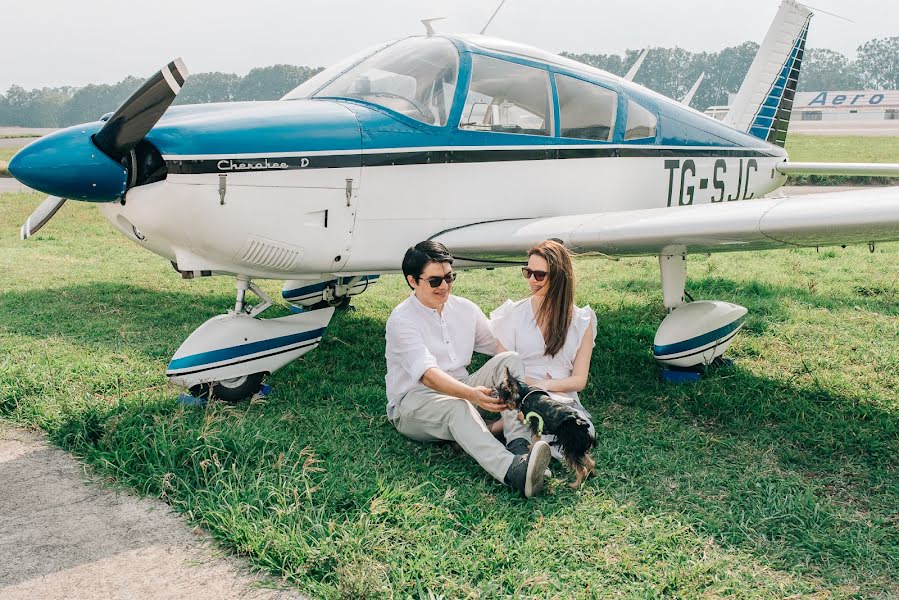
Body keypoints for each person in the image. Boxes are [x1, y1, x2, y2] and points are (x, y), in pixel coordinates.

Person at [385, 241, 552, 498]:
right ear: (412, 281)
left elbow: (498, 348)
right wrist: (472, 394)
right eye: (435, 281)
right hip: (414, 404)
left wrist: (538, 383)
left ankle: (520, 448)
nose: (444, 286)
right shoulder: (401, 319)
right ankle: (513, 472)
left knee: (510, 359)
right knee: (458, 406)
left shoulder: (464, 308)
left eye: (450, 277)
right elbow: (428, 375)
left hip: (463, 387)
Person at [489, 240, 597, 459]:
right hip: (520, 394)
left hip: (561, 399)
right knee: (534, 422)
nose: (531, 280)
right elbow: (504, 369)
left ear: (558, 276)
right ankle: (507, 431)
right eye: (527, 272)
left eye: (539, 275)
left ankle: (500, 430)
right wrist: (532, 390)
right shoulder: (511, 315)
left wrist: (545, 387)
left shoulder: (581, 320)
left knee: (582, 431)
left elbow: (578, 380)